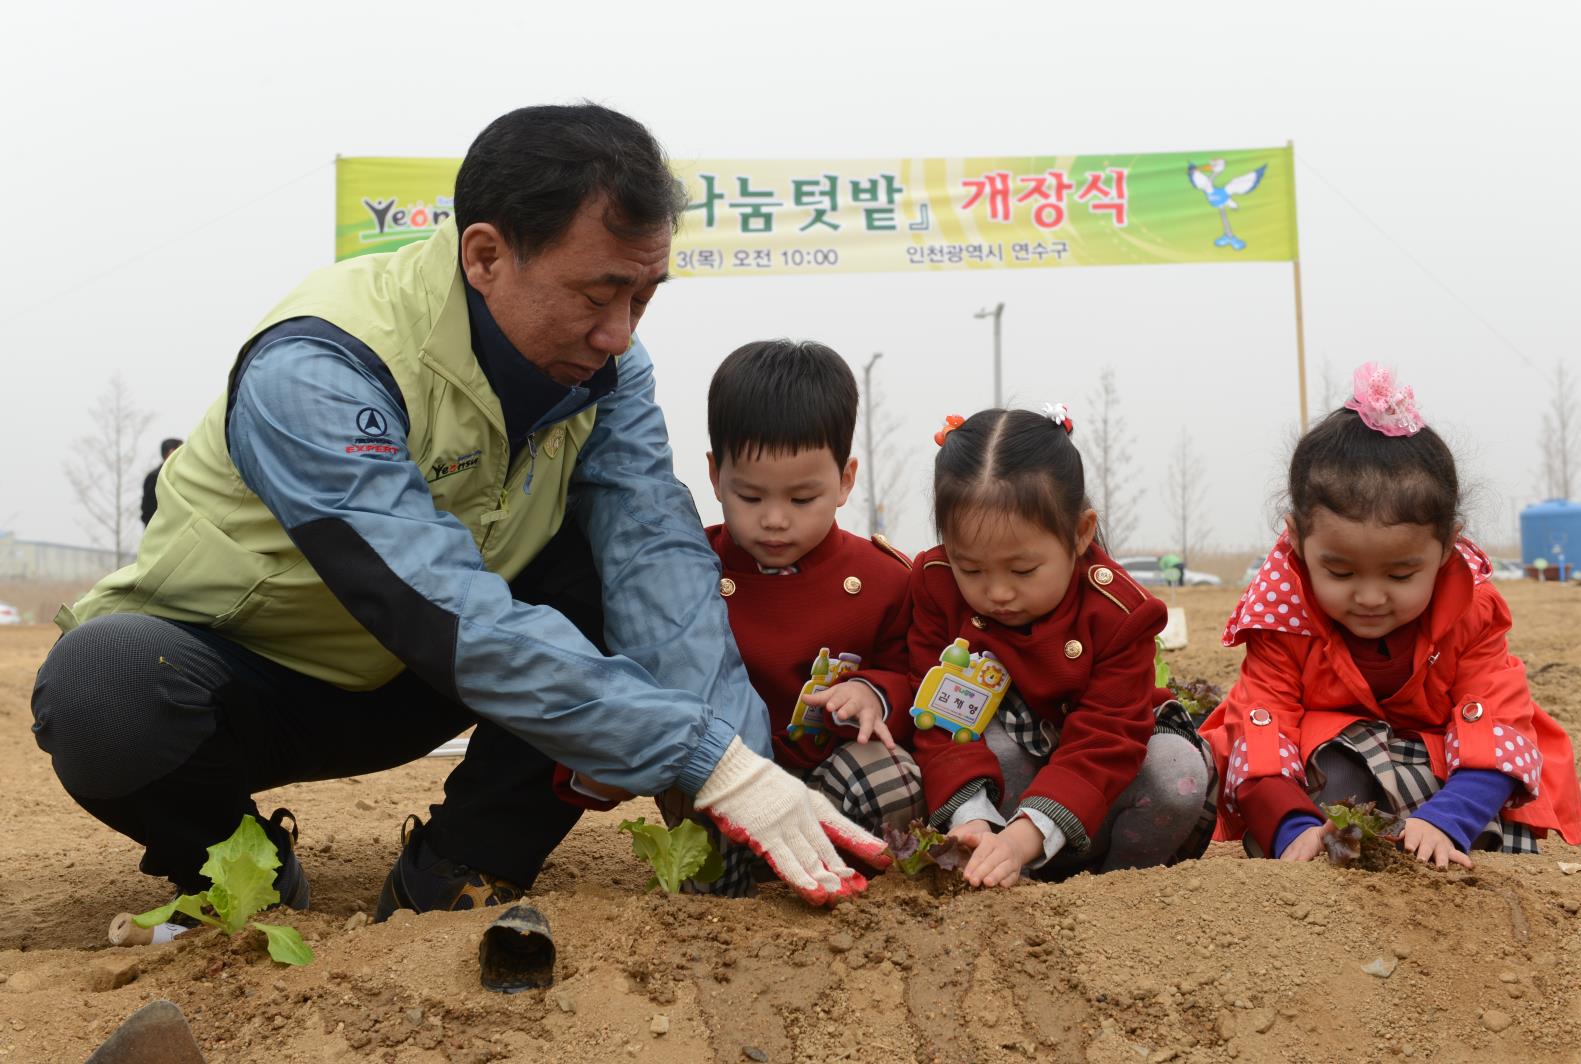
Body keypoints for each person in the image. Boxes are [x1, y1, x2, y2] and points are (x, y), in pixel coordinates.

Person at [30, 104, 883, 920]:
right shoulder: (324, 364)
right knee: (104, 687)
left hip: (430, 679)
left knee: (602, 560)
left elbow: (653, 561)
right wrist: (704, 758)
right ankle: (234, 860)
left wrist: (737, 783)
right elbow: (432, 601)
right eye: (598, 294)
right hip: (252, 674)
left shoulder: (608, 371)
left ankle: (463, 866)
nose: (620, 333)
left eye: (645, 297)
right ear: (485, 256)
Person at [562, 340, 922, 895]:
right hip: (723, 790)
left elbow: (914, 674)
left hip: (831, 785)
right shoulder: (683, 576)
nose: (774, 521)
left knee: (892, 773)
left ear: (846, 479)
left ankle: (849, 875)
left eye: (803, 499)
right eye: (750, 496)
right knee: (697, 806)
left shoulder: (883, 580)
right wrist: (597, 767)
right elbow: (631, 677)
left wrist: (877, 693)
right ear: (714, 474)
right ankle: (726, 889)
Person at [1200, 364, 1581, 864]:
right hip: (1330, 779)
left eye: (1400, 576)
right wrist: (1288, 824)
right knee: (1332, 766)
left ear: (1448, 547)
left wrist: (1448, 819)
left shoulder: (1471, 611)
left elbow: (1498, 721)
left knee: (1492, 809)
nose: (1369, 597)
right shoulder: (1282, 620)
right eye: (1339, 573)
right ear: (1297, 541)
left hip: (1456, 780)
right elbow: (1261, 725)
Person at [905, 405, 1215, 889]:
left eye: (1023, 570)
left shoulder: (1120, 612)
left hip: (1097, 784)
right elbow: (939, 720)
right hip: (999, 797)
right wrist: (973, 821)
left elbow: (1107, 738)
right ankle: (1007, 877)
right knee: (1000, 757)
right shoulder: (935, 588)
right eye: (972, 569)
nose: (998, 592)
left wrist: (1025, 836)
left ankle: (1118, 888)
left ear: (1080, 532)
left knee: (1176, 772)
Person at [139, 438, 182, 526]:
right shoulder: (155, 477)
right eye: (181, 451)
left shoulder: (180, 475)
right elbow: (149, 512)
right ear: (171, 452)